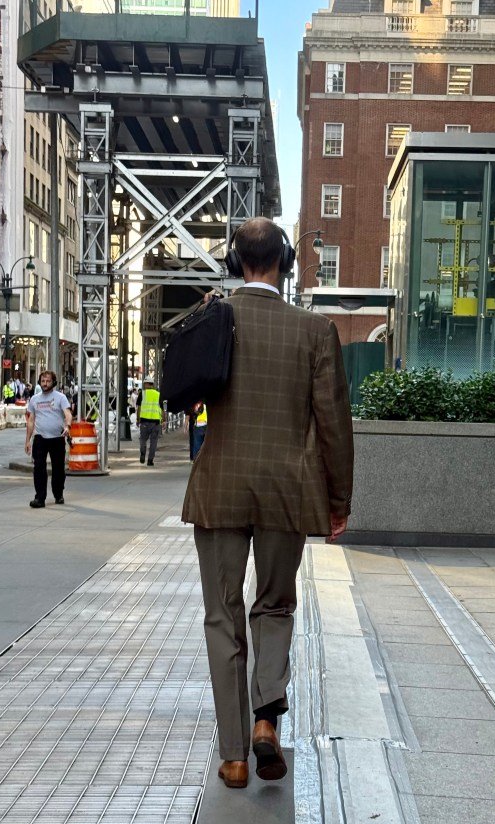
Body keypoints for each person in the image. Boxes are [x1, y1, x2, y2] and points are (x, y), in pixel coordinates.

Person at [182, 217, 354, 789]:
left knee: (222, 616)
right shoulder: (316, 330)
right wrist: (338, 499)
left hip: (219, 487)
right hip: (287, 490)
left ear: (235, 263)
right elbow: (333, 424)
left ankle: (234, 756)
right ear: (286, 263)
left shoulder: (215, 317)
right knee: (275, 606)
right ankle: (265, 719)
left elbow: (183, 392)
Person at [25, 369, 73, 508]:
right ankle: (39, 498)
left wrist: (68, 426)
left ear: (54, 383)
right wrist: (27, 440)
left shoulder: (60, 397)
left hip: (57, 437)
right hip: (40, 438)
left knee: (58, 469)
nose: (45, 384)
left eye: (48, 381)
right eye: (43, 381)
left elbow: (68, 414)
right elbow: (31, 421)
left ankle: (58, 494)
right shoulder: (34, 399)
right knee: (39, 468)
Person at [136, 376, 163, 465]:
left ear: (147, 384)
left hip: (144, 421)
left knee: (143, 439)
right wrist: (164, 419)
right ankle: (150, 460)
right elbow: (163, 408)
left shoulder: (142, 394)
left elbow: (139, 408)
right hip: (155, 422)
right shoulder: (158, 394)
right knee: (153, 442)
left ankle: (143, 452)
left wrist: (138, 419)